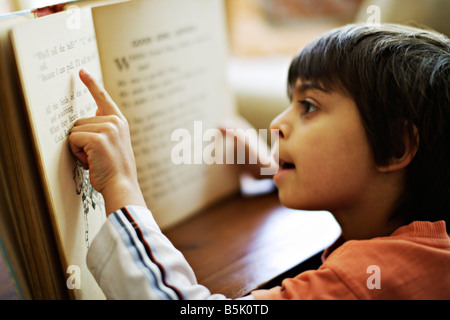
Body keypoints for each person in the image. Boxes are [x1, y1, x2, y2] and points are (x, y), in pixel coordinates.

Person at [69, 23, 450, 300]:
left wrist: (121, 185)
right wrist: (276, 171)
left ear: (396, 145)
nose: (276, 123)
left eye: (309, 106)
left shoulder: (360, 282)